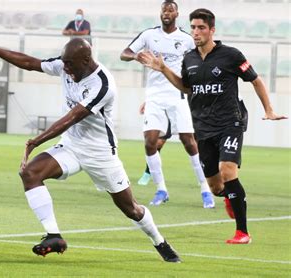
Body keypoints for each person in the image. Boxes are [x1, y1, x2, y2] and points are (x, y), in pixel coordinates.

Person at [0, 24, 181, 262]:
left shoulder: (103, 84)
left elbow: (72, 118)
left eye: (70, 64)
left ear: (86, 59)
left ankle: (160, 242)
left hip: (100, 153)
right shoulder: (66, 64)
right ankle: (53, 235)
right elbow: (30, 63)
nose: (65, 68)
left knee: (130, 208)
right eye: (64, 62)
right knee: (30, 173)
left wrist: (35, 141)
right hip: (71, 146)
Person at [140, 8, 287, 244]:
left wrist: (268, 110)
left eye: (201, 28)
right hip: (203, 128)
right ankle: (228, 196)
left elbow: (256, 80)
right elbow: (186, 87)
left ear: (212, 30)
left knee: (228, 169)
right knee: (216, 186)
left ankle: (242, 232)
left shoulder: (231, 55)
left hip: (230, 122)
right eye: (193, 27)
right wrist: (164, 69)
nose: (196, 32)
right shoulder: (189, 58)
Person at [120, 0, 214, 208]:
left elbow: (204, 58)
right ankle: (161, 189)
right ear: (160, 13)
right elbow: (123, 53)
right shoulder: (148, 35)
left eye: (171, 10)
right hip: (154, 95)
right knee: (150, 141)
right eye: (164, 9)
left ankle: (205, 189)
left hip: (178, 94)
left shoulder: (186, 40)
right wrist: (136, 55)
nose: (167, 12)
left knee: (188, 141)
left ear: (177, 14)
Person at [137, 102, 171, 186]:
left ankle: (204, 174)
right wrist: (146, 102)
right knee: (155, 142)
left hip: (173, 108)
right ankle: (148, 172)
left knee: (192, 140)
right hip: (157, 109)